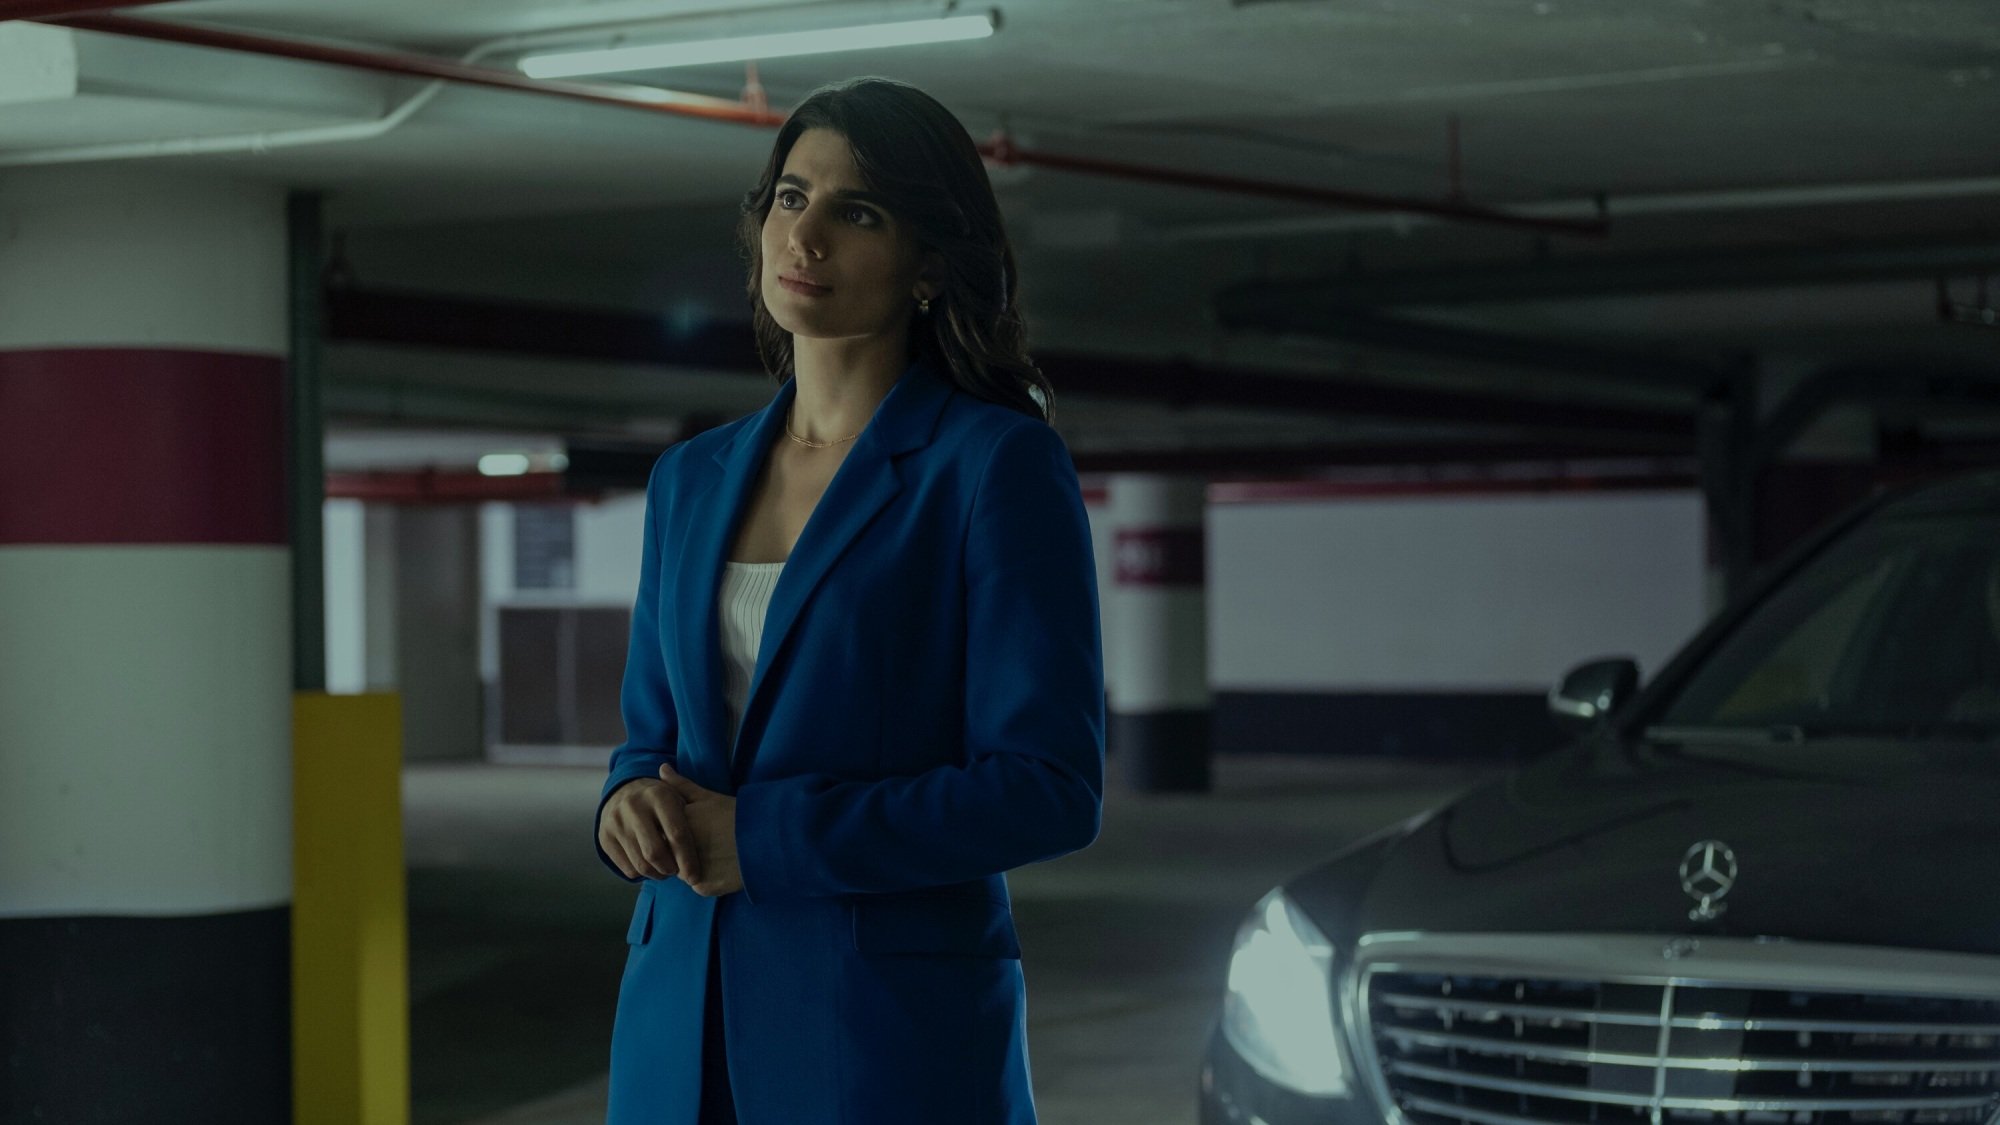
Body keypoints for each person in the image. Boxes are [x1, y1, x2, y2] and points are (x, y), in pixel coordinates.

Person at [591, 75, 1106, 1125]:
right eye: (789, 197)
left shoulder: (992, 468)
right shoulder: (688, 479)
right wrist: (625, 804)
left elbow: (1046, 786)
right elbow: (649, 741)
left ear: (929, 264)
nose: (806, 235)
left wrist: (769, 839)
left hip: (878, 1037)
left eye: (855, 211)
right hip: (675, 1026)